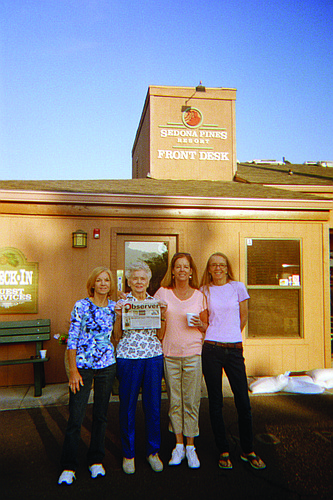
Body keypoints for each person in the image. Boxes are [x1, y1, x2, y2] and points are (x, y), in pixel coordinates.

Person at [200, 252, 266, 470]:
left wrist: (231, 336)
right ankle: (223, 450)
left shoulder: (238, 287)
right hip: (211, 349)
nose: (218, 268)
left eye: (222, 264)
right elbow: (203, 319)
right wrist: (216, 336)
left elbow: (244, 316)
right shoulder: (204, 290)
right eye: (213, 265)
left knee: (243, 401)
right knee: (216, 402)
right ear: (208, 269)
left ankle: (248, 449)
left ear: (227, 268)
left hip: (234, 349)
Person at [58, 267, 117, 485]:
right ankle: (68, 466)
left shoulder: (114, 307)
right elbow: (72, 339)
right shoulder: (81, 305)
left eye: (107, 280)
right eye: (99, 280)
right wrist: (73, 370)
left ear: (111, 284)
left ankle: (95, 460)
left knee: (101, 415)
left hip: (107, 366)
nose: (103, 283)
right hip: (82, 367)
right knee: (76, 415)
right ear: (92, 284)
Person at [154, 252, 208, 469]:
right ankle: (178, 446)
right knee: (175, 400)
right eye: (178, 266)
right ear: (173, 271)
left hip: (193, 353)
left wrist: (199, 325)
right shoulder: (162, 293)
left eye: (186, 266)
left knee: (192, 400)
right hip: (170, 354)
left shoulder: (199, 296)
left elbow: (206, 328)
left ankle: (191, 446)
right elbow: (155, 324)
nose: (183, 270)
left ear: (191, 271)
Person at [113, 261, 164, 474]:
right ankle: (128, 454)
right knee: (128, 406)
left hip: (153, 356)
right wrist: (118, 314)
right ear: (129, 281)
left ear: (148, 281)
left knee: (153, 406)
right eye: (135, 278)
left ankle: (153, 452)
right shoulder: (123, 302)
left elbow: (160, 336)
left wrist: (163, 314)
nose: (139, 282)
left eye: (143, 278)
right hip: (128, 357)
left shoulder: (156, 303)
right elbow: (116, 335)